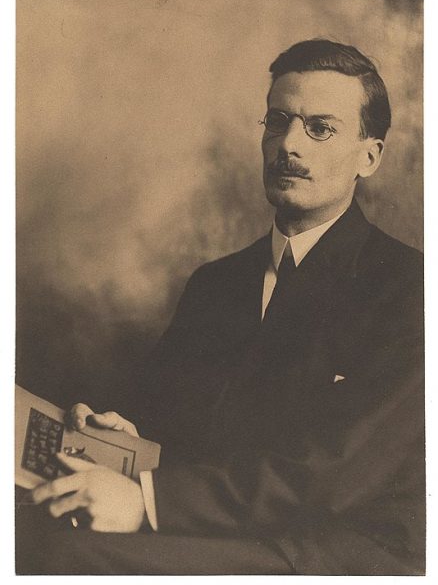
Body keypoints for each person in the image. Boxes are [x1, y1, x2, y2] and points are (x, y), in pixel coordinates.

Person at [17, 39, 424, 575]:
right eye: (277, 121)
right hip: (227, 527)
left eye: (320, 128)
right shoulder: (217, 283)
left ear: (369, 157)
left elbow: (331, 474)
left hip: (334, 550)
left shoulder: (410, 289)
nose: (289, 144)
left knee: (65, 553)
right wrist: (129, 437)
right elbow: (176, 425)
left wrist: (145, 501)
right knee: (29, 522)